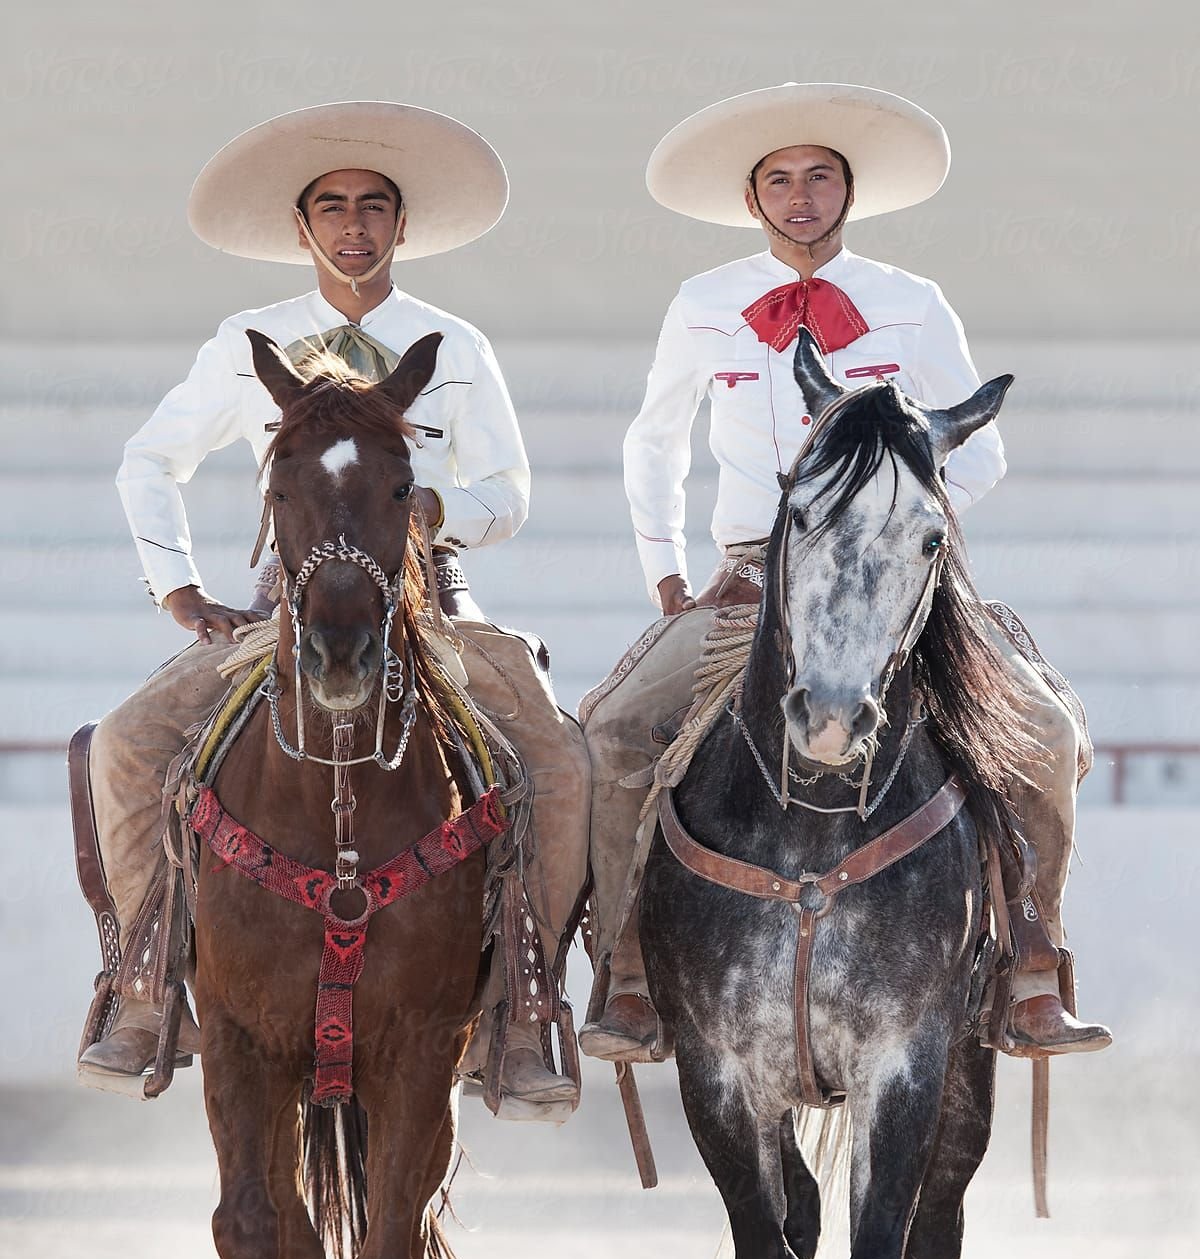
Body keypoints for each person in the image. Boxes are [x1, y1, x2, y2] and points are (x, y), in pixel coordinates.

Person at [579, 81, 1110, 1062]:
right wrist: (665, 573)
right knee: (612, 729)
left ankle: (1034, 962)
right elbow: (652, 442)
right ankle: (628, 968)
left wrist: (889, 524)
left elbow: (982, 451)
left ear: (848, 191)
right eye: (779, 179)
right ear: (753, 200)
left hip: (894, 589)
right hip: (747, 583)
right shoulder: (702, 306)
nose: (801, 194)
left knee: (1044, 729)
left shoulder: (914, 304)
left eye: (820, 176)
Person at [78, 100, 589, 1111]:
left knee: (564, 762)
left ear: (402, 225)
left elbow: (513, 491)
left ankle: (524, 1007)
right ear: (302, 227)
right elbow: (151, 459)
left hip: (430, 605)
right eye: (332, 208)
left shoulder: (456, 343)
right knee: (126, 745)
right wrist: (177, 583)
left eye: (374, 208)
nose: (354, 226)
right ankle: (145, 988)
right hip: (285, 610)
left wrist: (437, 509)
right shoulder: (245, 342)